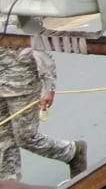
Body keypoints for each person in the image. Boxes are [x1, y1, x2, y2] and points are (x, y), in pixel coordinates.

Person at [0, 45, 85, 181]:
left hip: (22, 85)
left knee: (26, 137)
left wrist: (48, 86)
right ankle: (9, 184)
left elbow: (38, 45)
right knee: (3, 138)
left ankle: (72, 152)